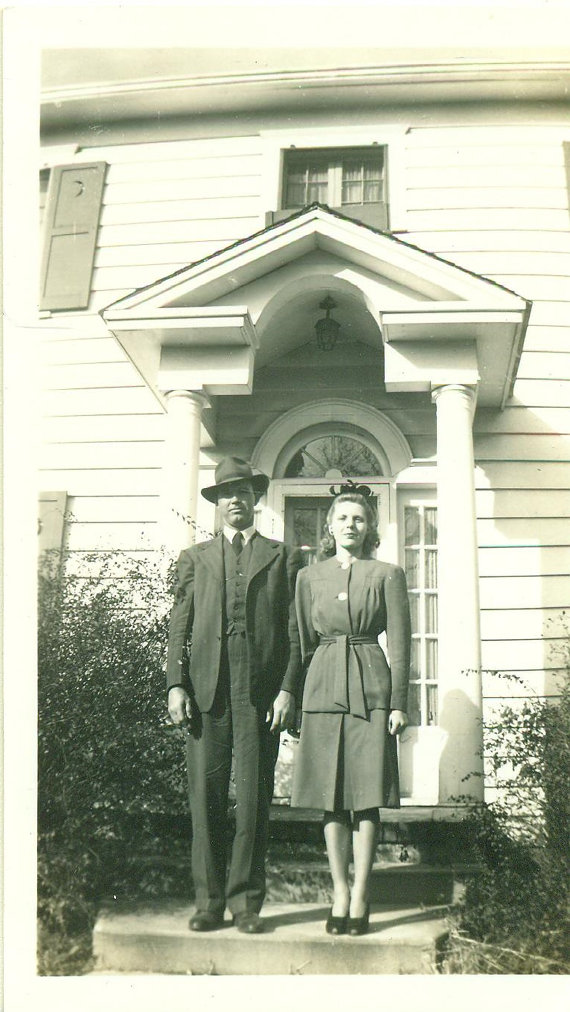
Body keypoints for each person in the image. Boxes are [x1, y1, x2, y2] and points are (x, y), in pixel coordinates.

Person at [166, 457, 302, 934]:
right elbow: (180, 624)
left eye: (243, 492)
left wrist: (288, 689)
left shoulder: (282, 557)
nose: (235, 500)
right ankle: (208, 902)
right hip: (207, 690)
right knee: (205, 798)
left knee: (253, 799)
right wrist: (175, 683)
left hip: (260, 693)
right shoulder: (196, 558)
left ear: (256, 499)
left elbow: (295, 631)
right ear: (217, 503)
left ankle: (246, 904)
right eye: (227, 493)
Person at [291, 486, 411, 937]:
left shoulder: (387, 574)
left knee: (366, 797)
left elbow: (400, 647)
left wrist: (399, 702)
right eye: (342, 518)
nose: (350, 526)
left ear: (370, 528)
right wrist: (299, 698)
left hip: (369, 686)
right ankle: (338, 891)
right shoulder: (308, 578)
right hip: (322, 687)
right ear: (329, 525)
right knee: (330, 797)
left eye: (358, 519)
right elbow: (303, 643)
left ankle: (361, 894)